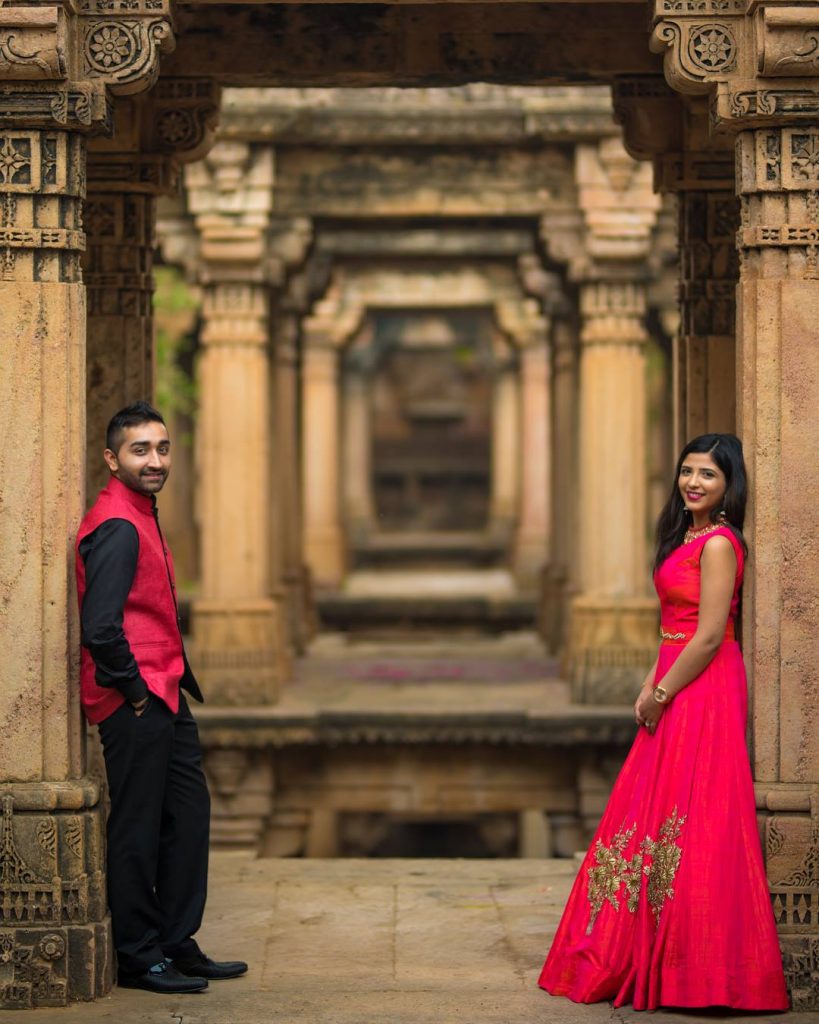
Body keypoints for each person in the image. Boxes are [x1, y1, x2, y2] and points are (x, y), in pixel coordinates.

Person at [539, 433, 789, 1012]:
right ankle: (643, 948)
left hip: (705, 683)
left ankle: (699, 969)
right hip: (675, 674)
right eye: (687, 472)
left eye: (707, 475)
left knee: (699, 812)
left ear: (730, 486)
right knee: (655, 807)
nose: (693, 483)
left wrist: (661, 691)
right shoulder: (686, 537)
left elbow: (707, 636)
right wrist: (651, 680)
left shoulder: (722, 544)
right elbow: (672, 626)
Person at [76, 401, 248, 995]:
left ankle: (176, 941)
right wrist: (135, 691)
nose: (155, 460)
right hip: (138, 699)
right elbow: (99, 627)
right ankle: (138, 954)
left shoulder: (139, 512)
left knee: (187, 815)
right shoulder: (118, 525)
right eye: (140, 450)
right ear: (112, 458)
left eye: (162, 448)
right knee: (138, 826)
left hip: (165, 690)